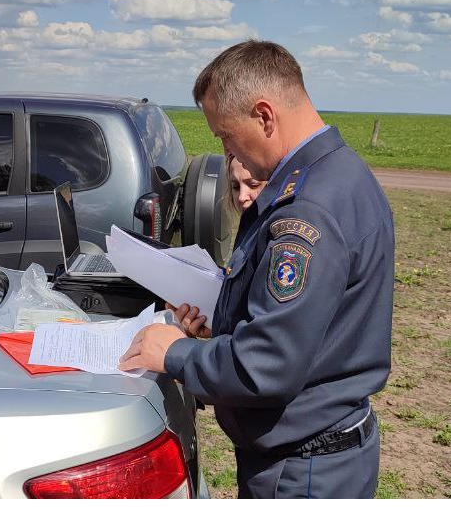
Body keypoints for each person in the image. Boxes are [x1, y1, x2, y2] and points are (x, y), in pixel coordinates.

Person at [119, 40, 394, 499]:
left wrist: (175, 353)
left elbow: (268, 364)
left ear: (265, 116)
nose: (228, 150)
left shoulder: (308, 209)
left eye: (226, 135)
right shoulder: (340, 175)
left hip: (303, 471)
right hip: (319, 456)